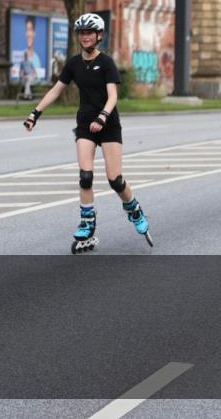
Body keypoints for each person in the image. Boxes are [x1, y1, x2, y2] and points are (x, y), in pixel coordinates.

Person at [23, 13, 151, 253]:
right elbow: (56, 90)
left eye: (90, 32)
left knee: (115, 180)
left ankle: (134, 209)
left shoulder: (107, 62)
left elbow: (113, 96)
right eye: (82, 33)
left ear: (99, 35)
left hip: (108, 124)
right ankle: (87, 224)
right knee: (85, 177)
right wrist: (35, 113)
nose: (85, 37)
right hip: (85, 124)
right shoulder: (73, 64)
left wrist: (103, 116)